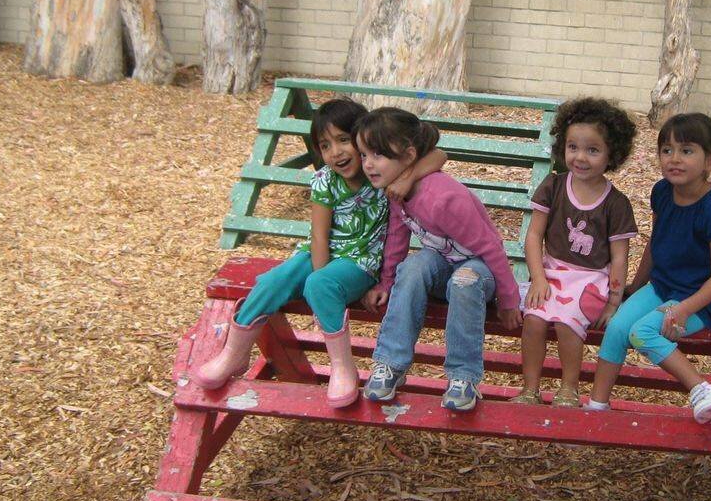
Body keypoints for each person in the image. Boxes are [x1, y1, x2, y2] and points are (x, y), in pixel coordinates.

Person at [192, 98, 445, 407]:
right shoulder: (325, 180)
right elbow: (320, 236)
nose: (335, 152)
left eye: (343, 140)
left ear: (363, 139)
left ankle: (342, 367)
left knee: (319, 284)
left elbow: (438, 154)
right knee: (274, 280)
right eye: (325, 146)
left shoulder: (380, 173)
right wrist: (319, 270)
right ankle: (234, 354)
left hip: (361, 261)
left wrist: (406, 179)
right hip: (322, 252)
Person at [356, 107, 522, 412]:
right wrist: (386, 282)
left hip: (478, 270)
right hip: (444, 263)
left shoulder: (444, 199)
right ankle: (390, 363)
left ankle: (463, 377)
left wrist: (509, 300)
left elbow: (491, 248)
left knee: (465, 280)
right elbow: (396, 239)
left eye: (377, 155)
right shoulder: (396, 191)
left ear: (407, 157)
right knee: (413, 266)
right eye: (364, 155)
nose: (368, 164)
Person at [586, 112, 711, 423]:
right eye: (667, 150)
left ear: (710, 161)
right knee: (619, 327)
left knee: (642, 332)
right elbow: (656, 242)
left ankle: (702, 388)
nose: (674, 158)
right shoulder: (662, 191)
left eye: (687, 151)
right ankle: (596, 407)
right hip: (662, 287)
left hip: (701, 299)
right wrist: (635, 285)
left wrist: (684, 309)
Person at [510, 98, 638, 407]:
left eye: (592, 150)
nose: (580, 157)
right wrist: (538, 279)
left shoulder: (615, 203)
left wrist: (613, 302)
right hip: (551, 272)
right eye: (572, 147)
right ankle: (530, 389)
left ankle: (569, 389)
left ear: (612, 155)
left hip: (591, 280)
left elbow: (620, 257)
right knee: (535, 320)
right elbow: (534, 236)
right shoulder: (553, 186)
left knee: (568, 322)